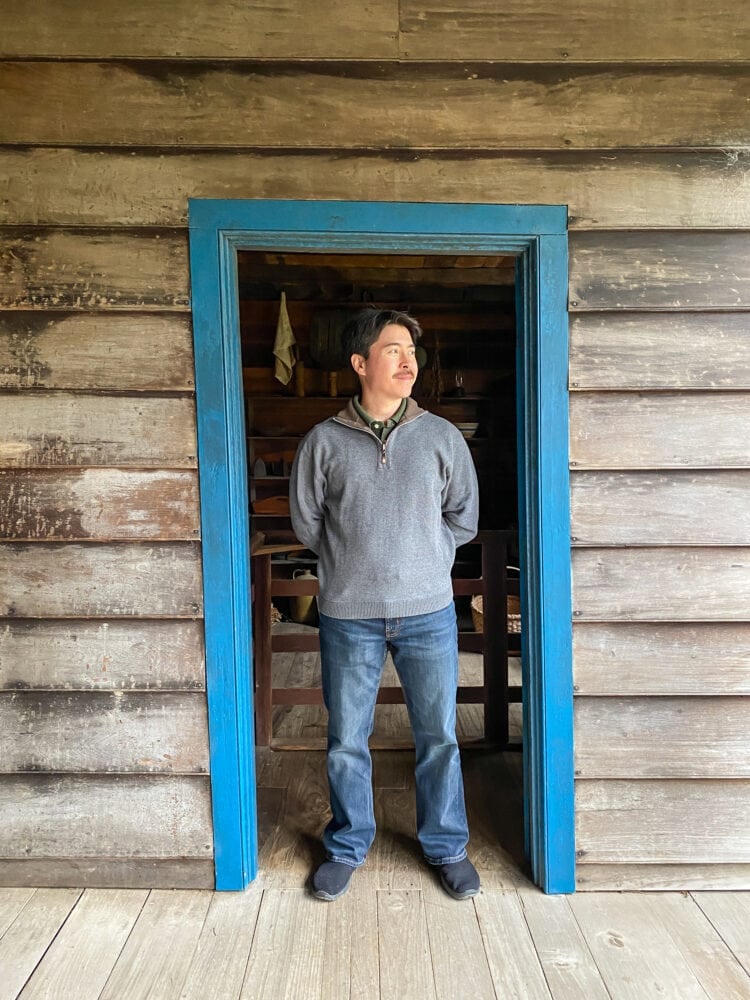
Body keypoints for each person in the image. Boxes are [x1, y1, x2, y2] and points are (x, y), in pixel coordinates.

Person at [289, 308, 480, 902]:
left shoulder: (442, 437)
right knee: (347, 736)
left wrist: (424, 556)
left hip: (428, 612)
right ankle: (347, 845)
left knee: (438, 735)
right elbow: (307, 523)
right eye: (393, 350)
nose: (407, 361)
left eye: (411, 352)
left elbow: (463, 518)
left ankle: (446, 846)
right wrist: (353, 563)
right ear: (360, 363)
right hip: (349, 614)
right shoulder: (323, 441)